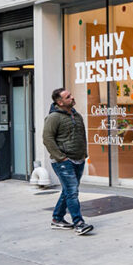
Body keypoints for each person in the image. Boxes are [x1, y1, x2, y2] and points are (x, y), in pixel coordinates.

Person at [42, 87, 94, 236]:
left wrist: (83, 154)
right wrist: (61, 157)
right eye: (68, 97)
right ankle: (78, 223)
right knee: (72, 192)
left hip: (79, 159)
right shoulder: (53, 117)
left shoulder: (76, 115)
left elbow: (81, 136)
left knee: (68, 191)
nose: (72, 98)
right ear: (59, 102)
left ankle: (57, 218)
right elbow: (47, 139)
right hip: (64, 161)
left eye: (71, 95)